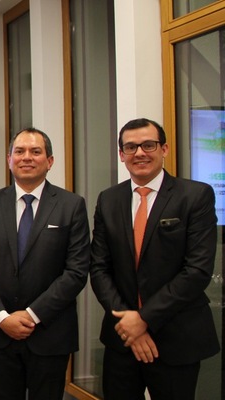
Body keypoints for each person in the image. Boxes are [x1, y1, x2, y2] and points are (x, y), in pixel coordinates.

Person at [89, 118, 220, 399]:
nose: (140, 153)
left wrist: (144, 319)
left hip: (177, 338)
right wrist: (130, 326)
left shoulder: (195, 196)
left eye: (148, 145)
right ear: (121, 154)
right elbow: (99, 268)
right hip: (121, 338)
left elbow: (197, 270)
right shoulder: (108, 200)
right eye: (131, 147)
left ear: (165, 149)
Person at [0, 128, 90, 400]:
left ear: (50, 161)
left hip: (50, 331)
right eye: (19, 152)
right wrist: (2, 317)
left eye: (35, 151)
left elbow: (76, 271)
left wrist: (32, 314)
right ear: (9, 159)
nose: (27, 158)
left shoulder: (71, 205)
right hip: (0, 332)